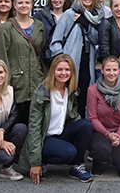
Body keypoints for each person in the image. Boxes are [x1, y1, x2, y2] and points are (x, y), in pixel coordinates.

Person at [18, 54, 93, 184]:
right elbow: (34, 128)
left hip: (61, 133)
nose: (63, 73)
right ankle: (42, 162)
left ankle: (75, 167)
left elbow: (74, 117)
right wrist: (35, 162)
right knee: (69, 152)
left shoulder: (72, 90)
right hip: (44, 138)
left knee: (85, 125)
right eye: (60, 69)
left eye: (67, 70)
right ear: (53, 70)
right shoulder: (41, 93)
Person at [51, 0, 104, 115]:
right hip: (70, 63)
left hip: (87, 63)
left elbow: (97, 39)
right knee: (68, 96)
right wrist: (62, 61)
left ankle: (80, 126)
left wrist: (85, 24)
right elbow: (56, 41)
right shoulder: (69, 14)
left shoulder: (96, 16)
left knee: (83, 97)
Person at [0, 0, 46, 125]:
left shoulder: (39, 25)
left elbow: (41, 53)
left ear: (31, 5)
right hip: (16, 80)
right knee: (16, 121)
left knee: (35, 120)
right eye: (20, 3)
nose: (24, 5)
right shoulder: (6, 27)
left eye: (27, 3)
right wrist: (5, 81)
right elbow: (2, 56)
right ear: (14, 6)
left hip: (36, 79)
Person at [87, 56, 120, 177]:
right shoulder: (92, 90)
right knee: (101, 148)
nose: (111, 73)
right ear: (102, 70)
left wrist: (118, 136)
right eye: (108, 70)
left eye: (115, 70)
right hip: (100, 132)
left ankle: (116, 157)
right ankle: (98, 162)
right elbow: (93, 118)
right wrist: (108, 134)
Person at [97, 0, 120, 72]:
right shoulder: (106, 23)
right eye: (116, 6)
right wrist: (111, 69)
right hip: (108, 69)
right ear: (111, 8)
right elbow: (104, 51)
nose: (119, 8)